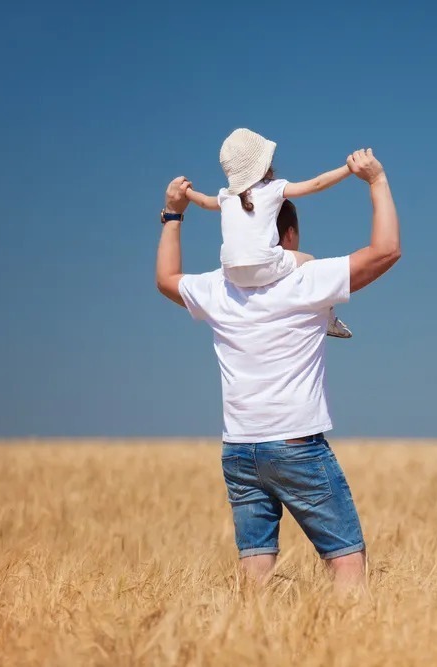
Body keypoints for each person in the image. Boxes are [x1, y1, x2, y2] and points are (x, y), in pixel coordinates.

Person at [155, 149, 399, 590]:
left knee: (254, 569)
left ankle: (248, 646)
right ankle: (355, 645)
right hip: (296, 445)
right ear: (286, 235)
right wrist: (377, 181)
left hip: (238, 449)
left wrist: (173, 215)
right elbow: (386, 251)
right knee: (345, 559)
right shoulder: (305, 282)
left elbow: (166, 279)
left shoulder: (217, 288)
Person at [184, 127, 353, 338]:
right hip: (263, 264)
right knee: (308, 260)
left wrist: (187, 192)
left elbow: (202, 201)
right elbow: (316, 184)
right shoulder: (272, 188)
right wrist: (348, 169)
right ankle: (328, 318)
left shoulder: (226, 196)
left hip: (231, 272)